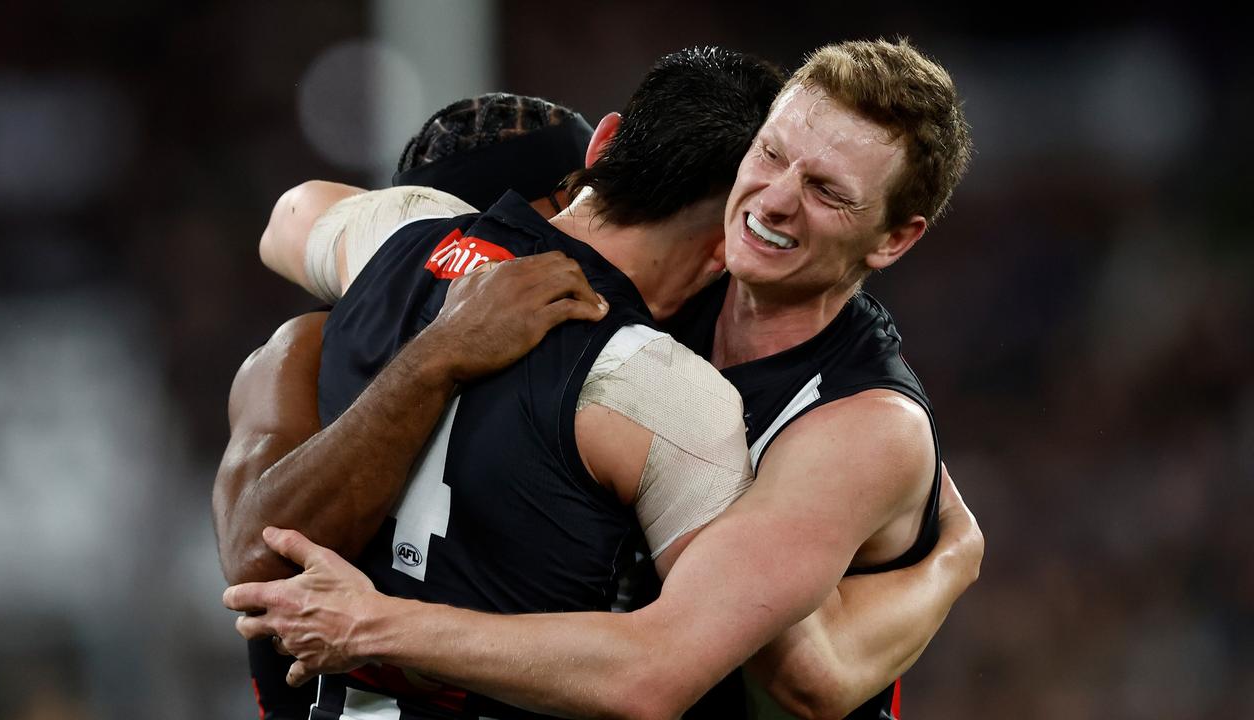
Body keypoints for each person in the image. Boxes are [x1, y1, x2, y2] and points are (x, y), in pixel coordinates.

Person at [227, 41, 981, 720]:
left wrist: (953, 558)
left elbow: (807, 676)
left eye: (829, 191)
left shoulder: (857, 425)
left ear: (895, 238)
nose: (779, 198)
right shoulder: (661, 313)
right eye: (773, 154)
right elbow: (299, 218)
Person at [214, 92, 597, 720]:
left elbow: (295, 212)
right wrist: (438, 354)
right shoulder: (305, 350)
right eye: (579, 202)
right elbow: (259, 568)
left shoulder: (607, 360)